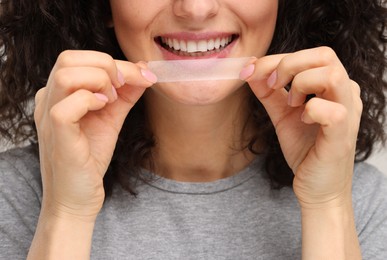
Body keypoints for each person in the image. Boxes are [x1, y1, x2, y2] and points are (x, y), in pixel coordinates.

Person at [0, 0, 386, 259]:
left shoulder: (366, 205)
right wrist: (66, 213)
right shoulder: (15, 196)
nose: (196, 9)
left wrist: (327, 206)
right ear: (104, 6)